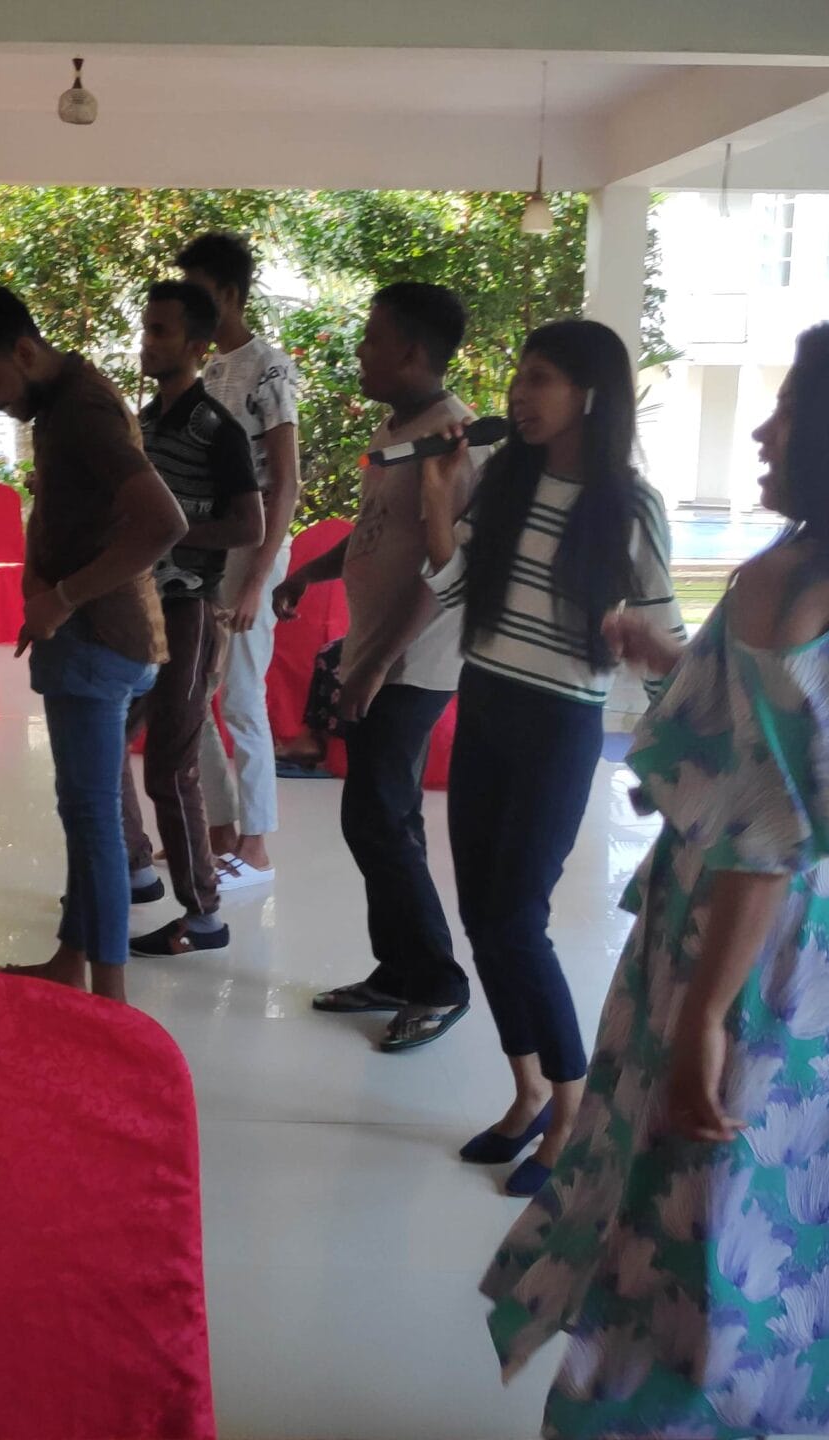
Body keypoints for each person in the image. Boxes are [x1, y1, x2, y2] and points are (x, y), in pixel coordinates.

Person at [480, 320, 829, 1438]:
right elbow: (825, 740)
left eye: (789, 410)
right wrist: (682, 662)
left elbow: (767, 829)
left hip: (767, 932)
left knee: (699, 1194)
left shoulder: (788, 579)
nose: (764, 434)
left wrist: (704, 1020)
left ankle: (661, 1415)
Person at [419, 321, 683, 1196]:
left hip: (560, 723)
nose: (519, 395)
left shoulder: (629, 507)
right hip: (485, 701)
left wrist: (674, 755)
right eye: (519, 377)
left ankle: (570, 1113)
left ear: (590, 395)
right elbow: (454, 592)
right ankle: (527, 1090)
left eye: (541, 379)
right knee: (482, 914)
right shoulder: (505, 477)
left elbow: (664, 638)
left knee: (516, 919)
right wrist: (439, 499)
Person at [0, 279, 186, 1004]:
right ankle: (73, 963)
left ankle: (110, 1001)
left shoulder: (80, 411)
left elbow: (164, 523)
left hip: (97, 641)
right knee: (85, 810)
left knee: (93, 817)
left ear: (23, 351)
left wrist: (62, 598)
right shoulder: (66, 399)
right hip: (96, 638)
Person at [278, 283, 485, 1051]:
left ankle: (438, 983)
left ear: (411, 350)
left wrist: (376, 666)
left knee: (377, 817)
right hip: (376, 653)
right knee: (380, 816)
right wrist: (309, 574)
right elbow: (376, 532)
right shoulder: (398, 429)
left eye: (372, 339)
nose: (360, 352)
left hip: (414, 661)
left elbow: (444, 571)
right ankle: (398, 970)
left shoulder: (456, 439)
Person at [124, 281, 264, 957]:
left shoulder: (217, 429)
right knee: (103, 743)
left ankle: (204, 915)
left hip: (186, 611)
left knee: (170, 767)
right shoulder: (145, 422)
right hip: (135, 609)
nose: (147, 342)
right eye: (146, 328)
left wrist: (172, 533)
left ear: (197, 344)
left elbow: (249, 525)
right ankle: (132, 870)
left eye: (162, 330)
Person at [176, 232, 302, 888]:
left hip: (252, 551)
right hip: (209, 549)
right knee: (193, 694)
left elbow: (287, 481)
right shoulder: (207, 372)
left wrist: (257, 579)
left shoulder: (268, 368)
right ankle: (219, 829)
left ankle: (256, 846)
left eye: (198, 292)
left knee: (244, 698)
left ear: (228, 293)